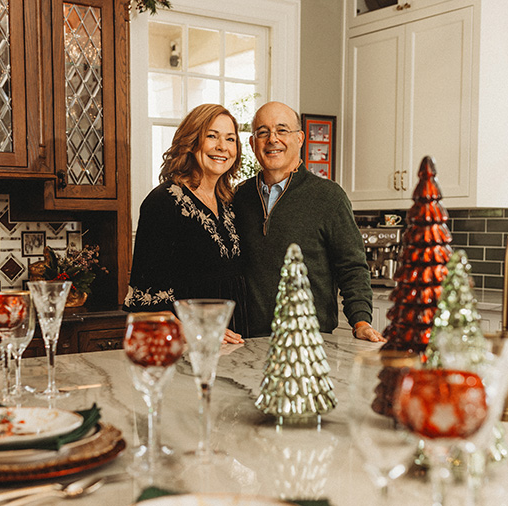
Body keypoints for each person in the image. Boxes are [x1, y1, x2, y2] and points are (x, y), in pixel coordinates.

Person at [232, 101, 384, 342]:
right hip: (246, 343)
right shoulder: (237, 197)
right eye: (263, 132)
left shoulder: (329, 197)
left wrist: (361, 322)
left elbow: (352, 267)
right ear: (252, 143)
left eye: (282, 130)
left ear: (300, 139)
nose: (273, 139)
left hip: (309, 346)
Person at [124, 104, 248, 343]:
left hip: (234, 344)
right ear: (191, 142)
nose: (222, 146)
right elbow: (145, 301)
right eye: (211, 136)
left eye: (230, 139)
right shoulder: (164, 201)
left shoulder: (230, 203)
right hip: (186, 349)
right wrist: (200, 332)